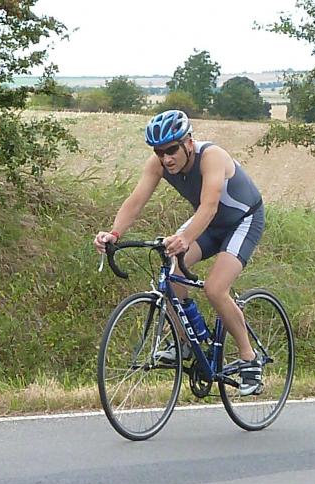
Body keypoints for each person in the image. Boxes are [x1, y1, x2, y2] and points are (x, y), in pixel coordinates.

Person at [93, 109, 265, 395]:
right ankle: (185, 341)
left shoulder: (211, 157)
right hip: (208, 223)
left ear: (188, 142)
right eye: (159, 152)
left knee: (215, 288)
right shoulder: (158, 164)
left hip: (242, 221)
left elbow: (209, 206)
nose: (166, 158)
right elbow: (135, 201)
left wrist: (184, 238)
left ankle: (250, 360)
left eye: (171, 150)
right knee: (170, 278)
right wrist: (114, 233)